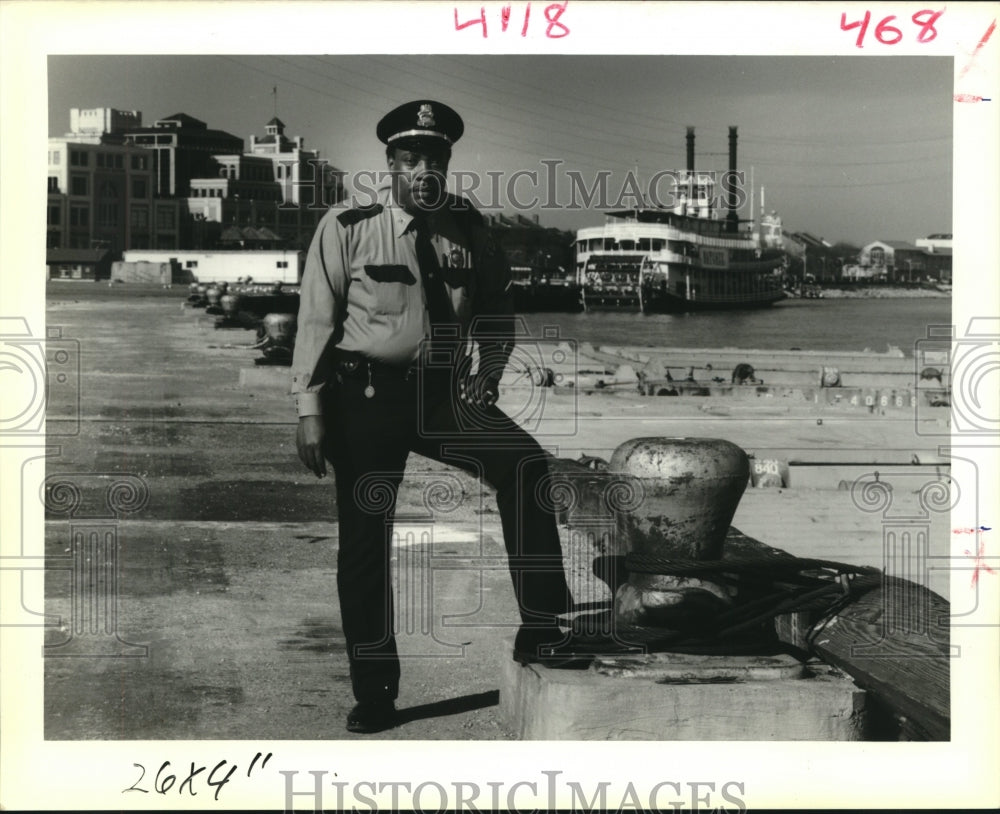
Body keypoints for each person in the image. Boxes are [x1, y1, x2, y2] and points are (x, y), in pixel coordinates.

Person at [292, 100, 576, 734]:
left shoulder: (468, 228)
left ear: (447, 164)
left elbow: (498, 305)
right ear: (390, 163)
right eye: (412, 157)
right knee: (366, 544)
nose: (425, 169)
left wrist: (491, 368)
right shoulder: (348, 226)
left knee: (526, 465)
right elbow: (316, 319)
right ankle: (375, 691)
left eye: (436, 159)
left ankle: (542, 625)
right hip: (366, 397)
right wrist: (309, 408)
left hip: (445, 397)